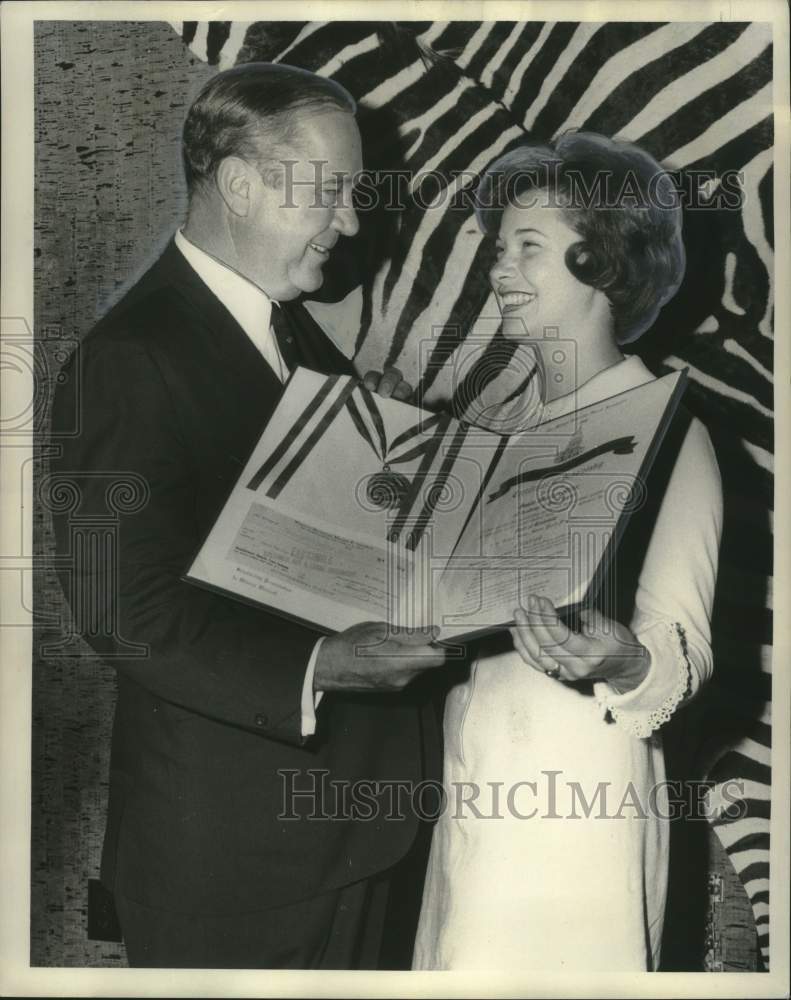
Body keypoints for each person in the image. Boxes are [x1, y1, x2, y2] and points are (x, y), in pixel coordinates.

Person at [49, 63, 445, 969]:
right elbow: (122, 610)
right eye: (331, 193)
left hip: (350, 834)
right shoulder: (129, 358)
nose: (349, 222)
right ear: (238, 185)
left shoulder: (295, 337)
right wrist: (322, 663)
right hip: (232, 863)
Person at [413, 133, 723, 971]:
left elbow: (682, 652)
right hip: (475, 776)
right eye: (496, 246)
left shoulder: (668, 430)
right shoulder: (494, 435)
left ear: (604, 265)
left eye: (528, 248)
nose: (498, 269)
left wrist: (618, 656)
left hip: (579, 798)